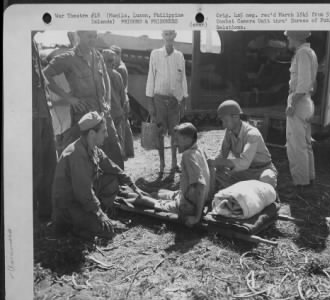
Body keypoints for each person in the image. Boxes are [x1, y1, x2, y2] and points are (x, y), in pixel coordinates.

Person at [51, 111, 147, 240]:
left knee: (112, 179)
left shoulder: (93, 148)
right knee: (109, 231)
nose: (106, 135)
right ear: (92, 134)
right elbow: (83, 192)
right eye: (103, 131)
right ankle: (76, 226)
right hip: (70, 206)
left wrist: (133, 186)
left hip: (82, 200)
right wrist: (100, 214)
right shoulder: (77, 155)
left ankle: (91, 217)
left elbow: (113, 168)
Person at [43, 30, 124, 169]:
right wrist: (69, 99)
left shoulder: (97, 56)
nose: (92, 40)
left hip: (102, 112)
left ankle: (117, 186)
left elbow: (105, 77)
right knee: (84, 155)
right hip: (83, 115)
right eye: (89, 36)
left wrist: (108, 101)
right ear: (79, 36)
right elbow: (45, 75)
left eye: (94, 36)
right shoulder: (68, 58)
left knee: (113, 148)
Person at [120, 123, 211, 227]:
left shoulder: (188, 156)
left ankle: (122, 198)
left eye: (177, 139)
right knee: (157, 193)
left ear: (186, 139)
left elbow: (201, 186)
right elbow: (210, 173)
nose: (175, 143)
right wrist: (207, 199)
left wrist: (196, 217)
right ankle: (128, 193)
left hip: (188, 206)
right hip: (188, 197)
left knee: (145, 201)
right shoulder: (199, 150)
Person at [209, 100, 278, 190]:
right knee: (216, 173)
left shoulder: (252, 134)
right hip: (244, 172)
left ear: (236, 117)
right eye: (222, 121)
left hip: (262, 170)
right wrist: (214, 164)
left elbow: (245, 162)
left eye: (226, 121)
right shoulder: (229, 132)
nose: (224, 125)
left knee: (266, 179)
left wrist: (219, 162)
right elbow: (223, 153)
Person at [145, 30, 189, 174]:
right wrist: (150, 103)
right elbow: (151, 77)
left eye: (171, 34)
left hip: (174, 101)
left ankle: (174, 164)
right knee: (159, 133)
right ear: (162, 36)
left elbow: (183, 79)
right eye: (166, 34)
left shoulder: (179, 56)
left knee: (175, 133)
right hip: (159, 99)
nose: (169, 37)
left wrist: (184, 100)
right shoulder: (155, 54)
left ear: (175, 36)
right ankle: (162, 165)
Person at [284, 31, 318, 192]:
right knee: (305, 143)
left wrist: (293, 104)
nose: (288, 40)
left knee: (296, 145)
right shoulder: (310, 52)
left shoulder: (302, 53)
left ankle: (300, 184)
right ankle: (309, 178)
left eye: (289, 37)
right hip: (306, 100)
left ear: (296, 37)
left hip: (298, 101)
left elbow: (303, 84)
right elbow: (313, 82)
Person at [32, 31, 58, 221]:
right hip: (31, 117)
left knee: (49, 162)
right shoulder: (14, 40)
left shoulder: (33, 44)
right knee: (34, 165)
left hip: (43, 114)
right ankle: (32, 212)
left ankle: (46, 211)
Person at [102, 49, 128, 160]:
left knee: (106, 140)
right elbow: (123, 96)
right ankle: (120, 161)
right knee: (119, 138)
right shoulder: (117, 75)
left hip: (106, 114)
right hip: (118, 112)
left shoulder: (100, 75)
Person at [110, 45, 135, 158]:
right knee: (125, 127)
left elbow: (120, 88)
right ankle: (128, 151)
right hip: (124, 100)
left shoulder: (119, 69)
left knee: (121, 129)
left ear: (118, 55)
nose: (112, 58)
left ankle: (123, 153)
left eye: (113, 55)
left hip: (121, 101)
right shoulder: (121, 65)